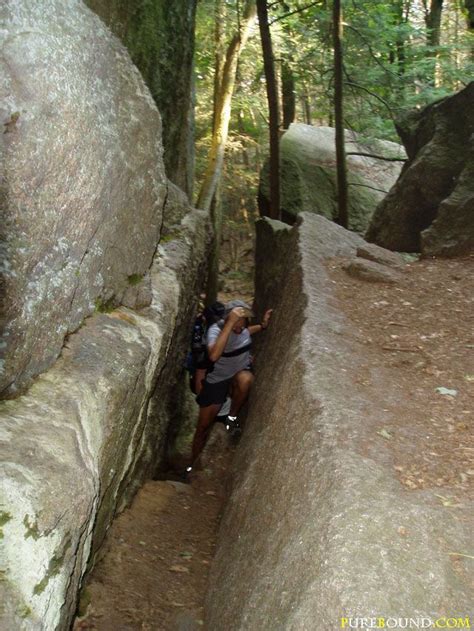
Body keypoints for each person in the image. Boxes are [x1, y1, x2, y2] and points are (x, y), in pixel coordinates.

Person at [188, 299, 272, 472]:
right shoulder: (215, 331)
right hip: (217, 379)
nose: (239, 328)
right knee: (203, 427)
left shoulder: (242, 330)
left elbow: (247, 332)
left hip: (236, 374)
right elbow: (213, 356)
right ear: (227, 320)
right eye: (236, 324)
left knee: (246, 379)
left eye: (242, 323)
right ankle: (193, 464)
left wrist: (262, 326)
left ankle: (231, 418)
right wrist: (230, 324)